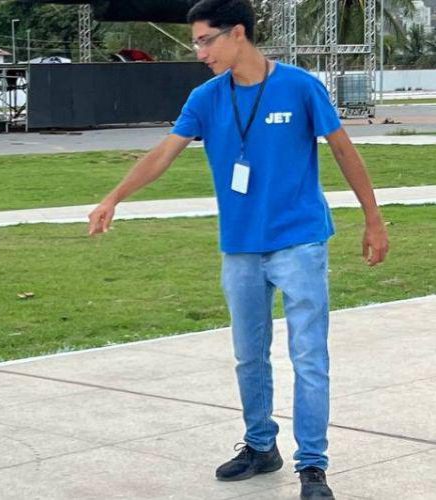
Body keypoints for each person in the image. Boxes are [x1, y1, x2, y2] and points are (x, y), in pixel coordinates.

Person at [88, 1, 389, 498]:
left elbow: (342, 150)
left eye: (206, 40)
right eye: (196, 42)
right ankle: (259, 445)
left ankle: (312, 465)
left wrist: (373, 220)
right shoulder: (206, 98)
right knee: (249, 357)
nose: (199, 51)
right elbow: (165, 152)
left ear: (238, 34)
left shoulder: (299, 86)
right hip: (241, 247)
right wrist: (114, 197)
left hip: (299, 241)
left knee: (309, 357)